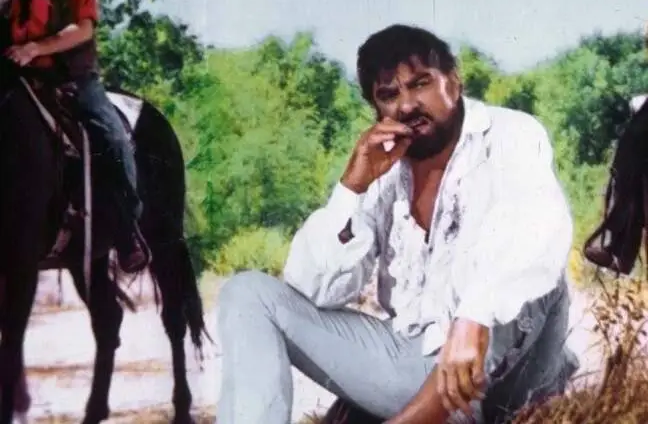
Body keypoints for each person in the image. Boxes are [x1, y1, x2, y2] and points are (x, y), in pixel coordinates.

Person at [215, 24, 580, 424]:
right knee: (247, 294)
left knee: (528, 277)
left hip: (497, 373)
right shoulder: (385, 168)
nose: (407, 105)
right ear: (376, 109)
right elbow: (311, 288)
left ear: (454, 82)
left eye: (421, 84)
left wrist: (474, 315)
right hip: (414, 363)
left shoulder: (508, 134)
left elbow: (535, 228)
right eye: (389, 95)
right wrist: (351, 187)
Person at [0, 0, 149, 273]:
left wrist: (35, 48)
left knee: (113, 137)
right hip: (18, 78)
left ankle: (127, 231)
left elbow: (83, 27)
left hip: (71, 79)